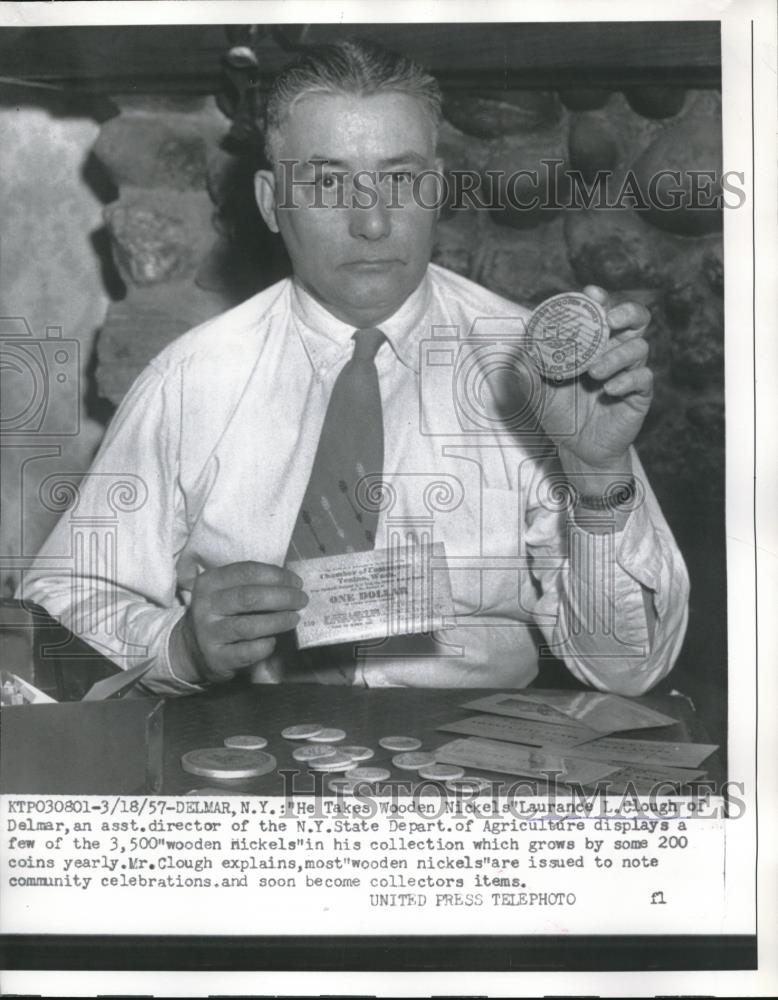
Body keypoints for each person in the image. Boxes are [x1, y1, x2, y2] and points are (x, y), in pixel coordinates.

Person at [21, 39, 689, 697]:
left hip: (467, 759)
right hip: (248, 746)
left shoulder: (538, 374)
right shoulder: (191, 379)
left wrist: (597, 476)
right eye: (327, 181)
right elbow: (57, 602)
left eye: (399, 179)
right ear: (269, 202)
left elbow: (626, 669)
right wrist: (178, 646)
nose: (370, 221)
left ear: (437, 190)